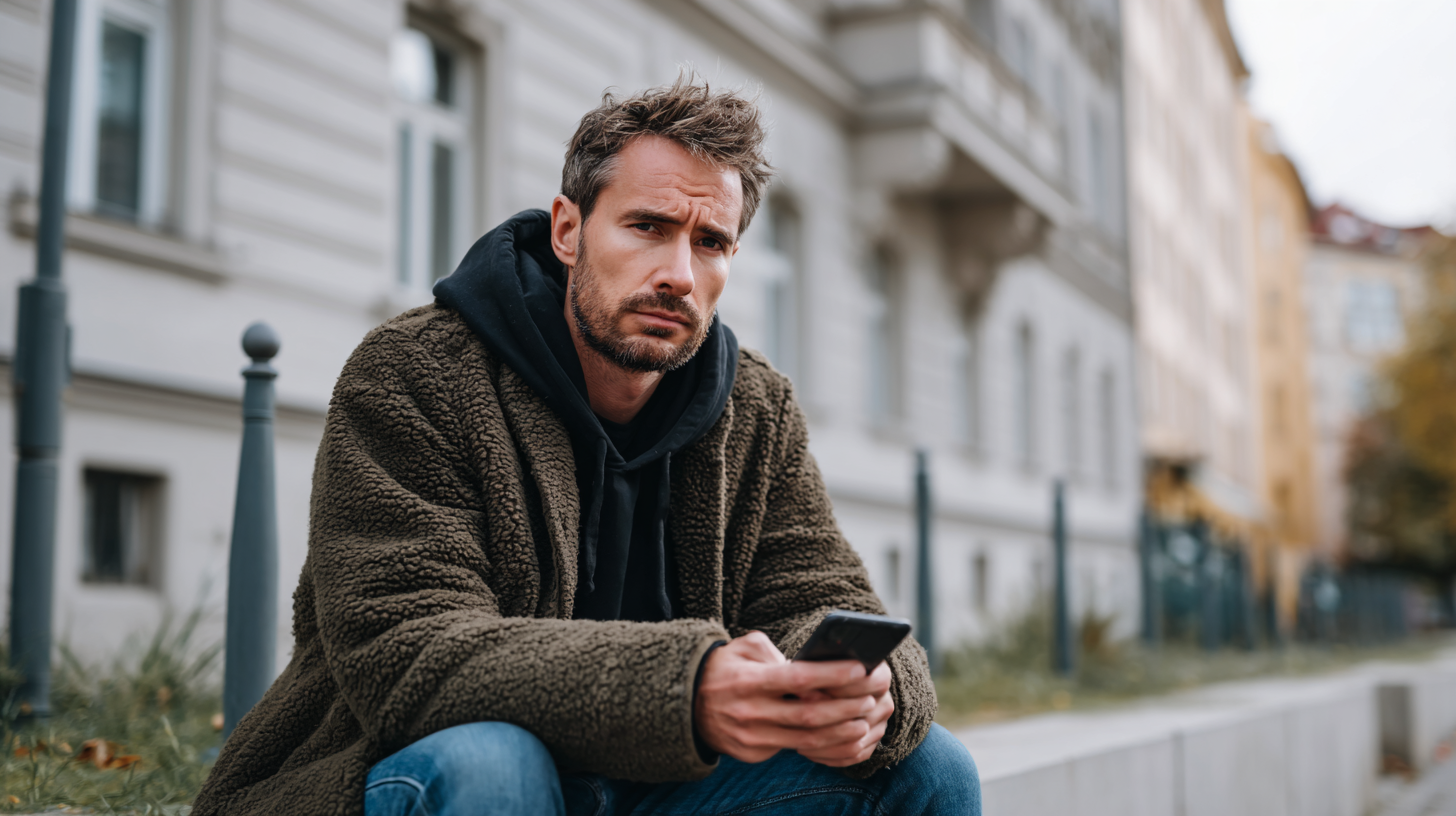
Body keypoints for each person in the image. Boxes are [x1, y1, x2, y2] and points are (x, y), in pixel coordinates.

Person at [194, 77, 980, 816]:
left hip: (659, 787)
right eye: (647, 227)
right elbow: (405, 649)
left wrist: (872, 692)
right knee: (497, 765)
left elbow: (827, 598)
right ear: (569, 230)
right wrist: (689, 686)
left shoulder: (754, 407)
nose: (677, 272)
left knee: (929, 768)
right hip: (416, 770)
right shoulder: (416, 371)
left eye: (710, 243)